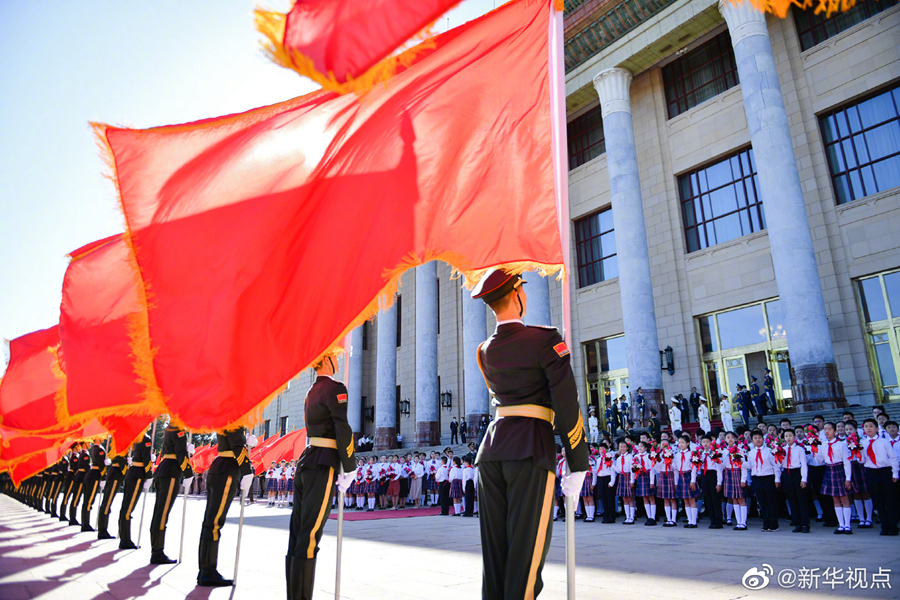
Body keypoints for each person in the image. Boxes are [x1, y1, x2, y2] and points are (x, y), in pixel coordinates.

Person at [471, 269, 588, 599]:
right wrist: (578, 462)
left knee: (496, 556)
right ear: (517, 294)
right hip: (530, 448)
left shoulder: (484, 350)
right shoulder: (546, 338)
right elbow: (566, 401)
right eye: (523, 288)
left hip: (492, 449)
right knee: (526, 556)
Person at [286, 354, 355, 599]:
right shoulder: (335, 388)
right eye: (334, 356)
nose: (338, 358)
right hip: (324, 461)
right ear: (326, 360)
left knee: (299, 531)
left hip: (308, 458)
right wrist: (349, 465)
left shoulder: (311, 391)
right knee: (311, 533)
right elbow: (341, 426)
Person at [197, 427, 256, 587]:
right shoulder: (234, 416)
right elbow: (236, 444)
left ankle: (205, 569)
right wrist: (247, 469)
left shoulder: (229, 414)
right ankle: (207, 572)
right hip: (227, 469)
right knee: (214, 523)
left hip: (222, 467)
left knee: (210, 522)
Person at [149, 424, 194, 564]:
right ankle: (157, 552)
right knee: (162, 513)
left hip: (165, 469)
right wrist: (188, 472)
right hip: (171, 472)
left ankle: (156, 549)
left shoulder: (170, 428)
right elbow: (180, 453)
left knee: (159, 511)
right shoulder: (178, 429)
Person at [860, 418, 899, 536]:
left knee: (890, 499)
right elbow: (862, 460)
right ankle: (884, 525)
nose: (868, 428)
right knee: (878, 500)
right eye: (866, 426)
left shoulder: (884, 441)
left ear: (877, 429)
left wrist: (895, 473)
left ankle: (893, 525)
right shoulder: (862, 443)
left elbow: (892, 457)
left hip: (885, 471)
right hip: (871, 472)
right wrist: (858, 452)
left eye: (871, 426)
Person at [118, 427, 153, 550]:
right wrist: (149, 475)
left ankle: (124, 537)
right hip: (138, 473)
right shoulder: (145, 438)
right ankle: (125, 540)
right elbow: (145, 458)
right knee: (128, 508)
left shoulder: (135, 437)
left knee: (126, 506)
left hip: (132, 472)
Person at [815, 422, 853, 534]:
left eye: (829, 429)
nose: (827, 431)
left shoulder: (841, 445)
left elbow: (847, 462)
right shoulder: (823, 445)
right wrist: (815, 449)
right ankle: (841, 525)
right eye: (825, 429)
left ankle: (848, 525)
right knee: (835, 499)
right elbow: (819, 461)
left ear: (835, 431)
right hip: (829, 470)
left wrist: (848, 478)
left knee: (844, 498)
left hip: (839, 470)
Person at [747, 429, 781, 532]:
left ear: (763, 439)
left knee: (771, 501)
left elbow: (776, 465)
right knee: (762, 502)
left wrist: (777, 479)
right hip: (757, 478)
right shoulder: (751, 453)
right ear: (752, 440)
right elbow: (750, 466)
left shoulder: (769, 451)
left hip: (768, 477)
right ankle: (766, 523)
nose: (758, 440)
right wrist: (739, 462)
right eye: (755, 438)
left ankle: (774, 523)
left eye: (759, 438)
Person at [781, 428, 809, 533]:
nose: (788, 438)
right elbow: (779, 464)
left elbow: (804, 465)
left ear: (794, 437)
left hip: (797, 472)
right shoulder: (782, 449)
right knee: (792, 499)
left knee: (801, 499)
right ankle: (797, 523)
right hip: (787, 473)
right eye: (786, 436)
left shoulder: (799, 449)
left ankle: (805, 523)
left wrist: (804, 479)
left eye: (790, 435)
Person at [97, 450, 127, 540]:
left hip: (114, 472)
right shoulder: (120, 443)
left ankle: (102, 529)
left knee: (106, 502)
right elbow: (120, 457)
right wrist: (126, 470)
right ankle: (102, 530)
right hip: (116, 473)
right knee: (107, 502)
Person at [673, 435, 700, 528]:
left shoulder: (691, 454)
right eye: (679, 443)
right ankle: (689, 520)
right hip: (681, 476)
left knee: (692, 499)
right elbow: (676, 469)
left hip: (689, 476)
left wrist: (693, 480)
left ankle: (694, 521)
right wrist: (676, 482)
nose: (681, 444)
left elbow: (694, 468)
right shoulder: (677, 455)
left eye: (683, 443)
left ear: (688, 443)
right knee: (685, 500)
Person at [698, 435, 723, 529]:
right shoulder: (699, 454)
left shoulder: (714, 453)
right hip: (704, 476)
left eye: (707, 442)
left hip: (713, 475)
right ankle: (712, 520)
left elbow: (719, 469)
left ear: (711, 443)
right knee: (707, 498)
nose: (705, 444)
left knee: (715, 499)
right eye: (703, 442)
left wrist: (719, 483)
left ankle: (719, 520)